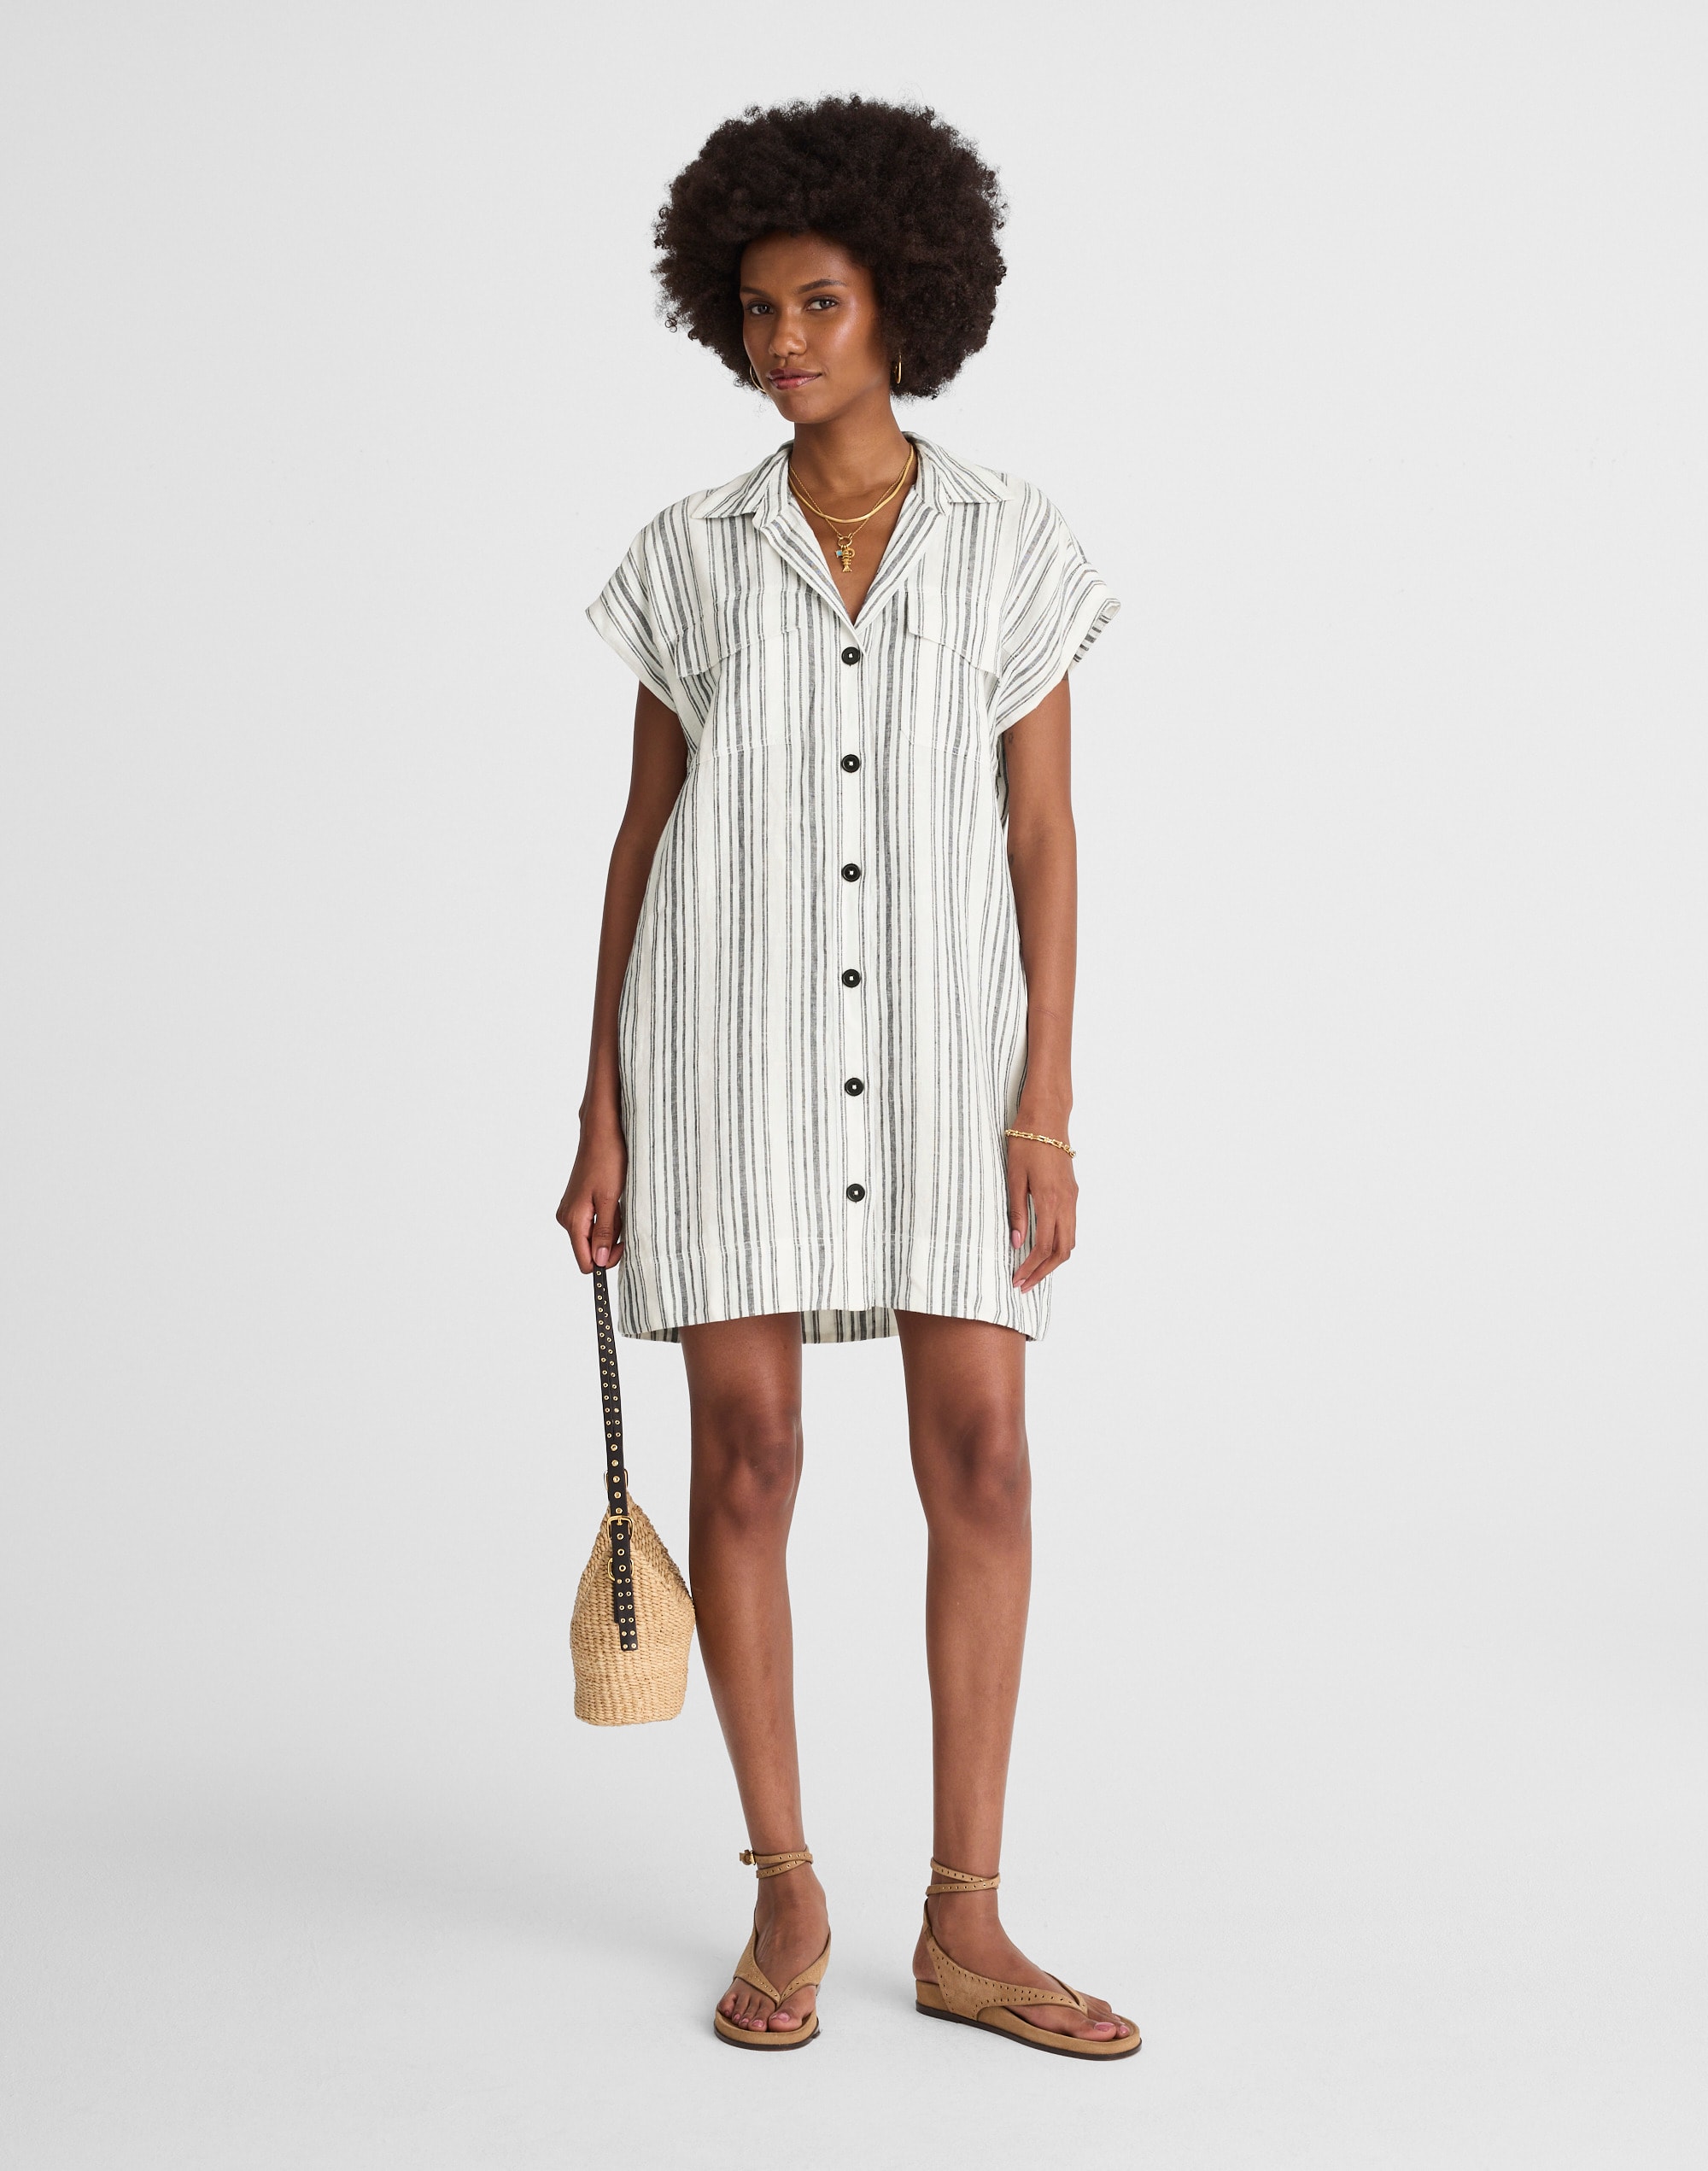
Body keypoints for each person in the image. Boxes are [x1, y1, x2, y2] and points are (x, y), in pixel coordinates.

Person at [558, 95, 1138, 2060]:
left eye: (817, 301)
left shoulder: (1011, 541)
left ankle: (967, 1918)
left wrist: (1044, 1101)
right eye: (754, 308)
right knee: (749, 1457)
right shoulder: (688, 554)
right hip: (720, 1046)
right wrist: (600, 1108)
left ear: (903, 299)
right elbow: (640, 838)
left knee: (983, 1454)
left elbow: (1043, 835)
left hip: (944, 1059)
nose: (782, 339)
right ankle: (786, 1881)